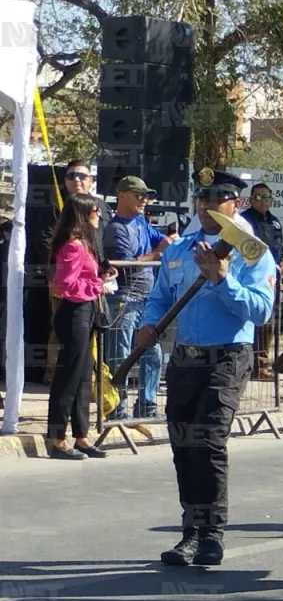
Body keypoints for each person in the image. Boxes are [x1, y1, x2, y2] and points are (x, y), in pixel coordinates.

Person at [137, 169, 276, 564]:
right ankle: (191, 531)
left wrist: (222, 280)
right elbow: (161, 296)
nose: (207, 205)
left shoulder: (253, 252)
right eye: (202, 198)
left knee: (208, 441)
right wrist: (149, 324)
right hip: (186, 356)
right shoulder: (181, 249)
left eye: (217, 198)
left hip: (229, 355)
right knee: (183, 441)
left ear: (237, 203)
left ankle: (212, 533)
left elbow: (261, 311)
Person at [46, 193, 117, 460]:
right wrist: (99, 285)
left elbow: (83, 278)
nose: (98, 216)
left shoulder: (85, 243)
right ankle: (57, 438)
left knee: (83, 375)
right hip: (74, 312)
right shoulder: (73, 245)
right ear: (83, 215)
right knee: (69, 376)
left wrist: (101, 275)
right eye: (94, 212)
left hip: (86, 310)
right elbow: (66, 285)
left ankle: (80, 435)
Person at [103, 176, 173, 420]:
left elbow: (161, 241)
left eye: (146, 196)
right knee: (119, 355)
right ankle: (117, 407)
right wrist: (156, 252)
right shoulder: (116, 228)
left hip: (146, 298)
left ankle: (147, 403)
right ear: (122, 195)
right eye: (139, 195)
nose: (145, 200)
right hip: (124, 297)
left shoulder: (141, 222)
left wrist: (169, 243)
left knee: (152, 351)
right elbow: (125, 264)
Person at [240, 182, 283, 380]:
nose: (263, 201)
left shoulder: (275, 222)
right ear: (251, 199)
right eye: (258, 197)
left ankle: (261, 365)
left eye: (267, 197)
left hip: (272, 279)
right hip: (250, 278)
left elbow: (281, 248)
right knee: (251, 322)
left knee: (268, 323)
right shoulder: (244, 221)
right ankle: (247, 365)